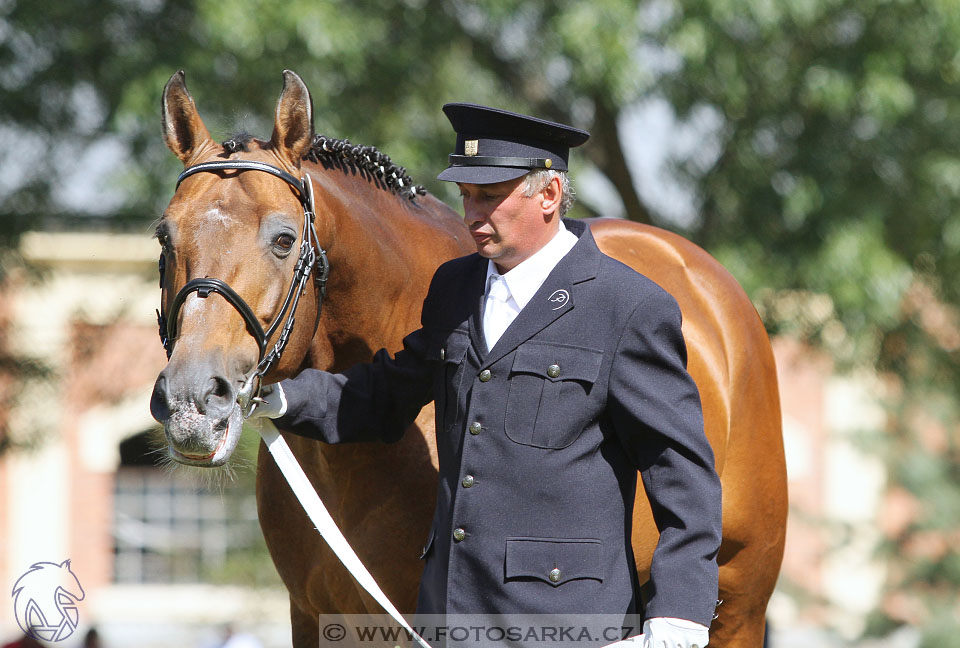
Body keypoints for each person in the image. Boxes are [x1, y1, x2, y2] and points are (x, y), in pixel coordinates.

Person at [251, 103, 722, 648]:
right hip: (452, 618)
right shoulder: (454, 287)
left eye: (492, 197)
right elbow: (386, 395)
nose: (473, 214)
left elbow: (681, 473)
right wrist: (276, 397)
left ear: (549, 195)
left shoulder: (628, 306)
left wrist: (679, 614)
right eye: (467, 195)